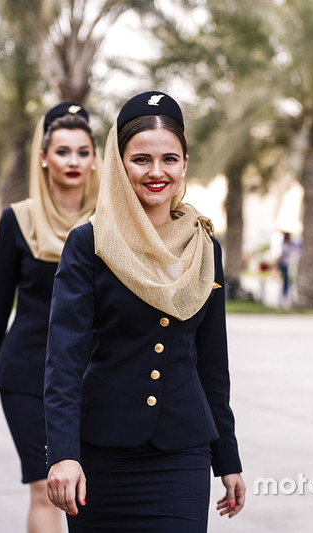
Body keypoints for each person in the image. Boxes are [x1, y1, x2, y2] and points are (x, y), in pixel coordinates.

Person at [44, 91, 244, 531]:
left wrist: (227, 460)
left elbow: (213, 364)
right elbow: (64, 358)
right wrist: (62, 453)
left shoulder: (204, 246)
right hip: (100, 453)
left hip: (182, 453)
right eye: (141, 160)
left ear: (185, 165)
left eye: (170, 159)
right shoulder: (89, 243)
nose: (157, 172)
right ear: (119, 164)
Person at [0, 102, 99, 533]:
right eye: (63, 151)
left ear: (96, 158)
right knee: (47, 489)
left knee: (93, 492)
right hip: (28, 377)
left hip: (99, 376)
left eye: (83, 151)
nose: (73, 161)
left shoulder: (114, 221)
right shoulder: (17, 220)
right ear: (43, 157)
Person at [277, 231, 298, 307]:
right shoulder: (288, 244)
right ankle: (285, 298)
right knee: (287, 282)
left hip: (289, 266)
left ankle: (287, 298)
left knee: (288, 282)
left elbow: (283, 255)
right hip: (287, 265)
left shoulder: (289, 245)